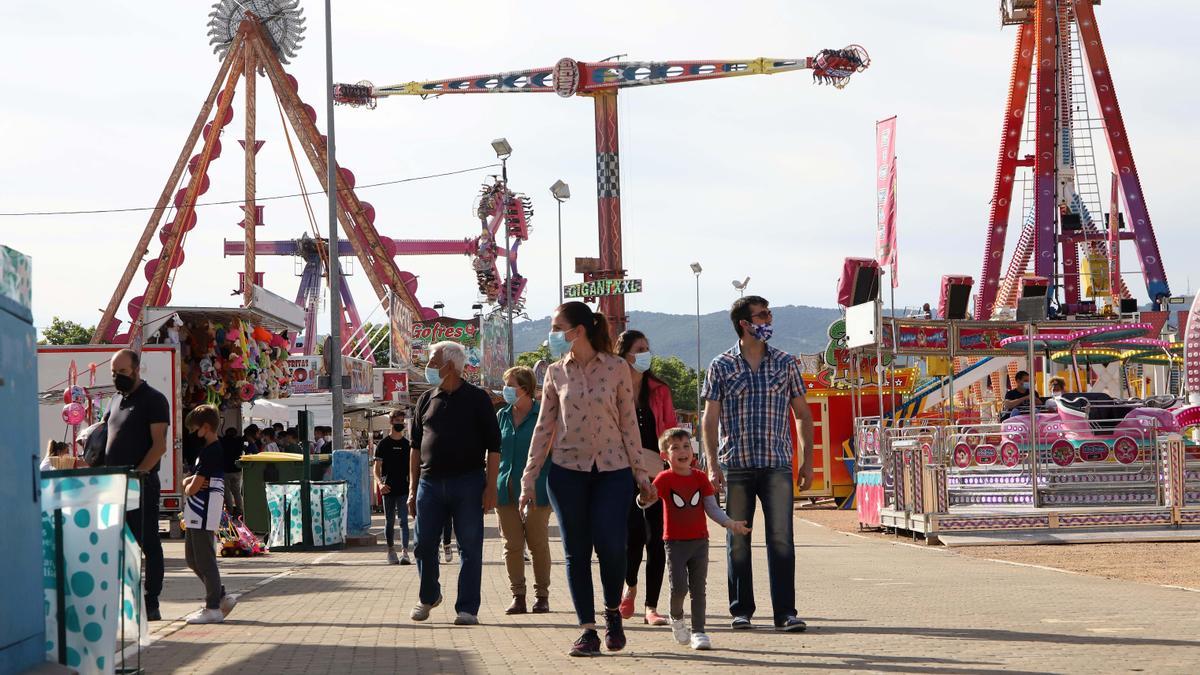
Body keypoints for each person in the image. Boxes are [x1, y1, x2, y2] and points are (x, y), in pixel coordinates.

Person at [520, 301, 658, 657]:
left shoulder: (616, 369)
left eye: (557, 328)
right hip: (567, 473)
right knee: (575, 552)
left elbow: (629, 423)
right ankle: (587, 630)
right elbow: (544, 427)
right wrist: (529, 477)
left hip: (612, 471)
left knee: (612, 546)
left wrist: (641, 474)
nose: (552, 335)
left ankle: (612, 612)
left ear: (577, 331)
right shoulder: (554, 372)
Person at [702, 296, 813, 633]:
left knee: (781, 538)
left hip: (777, 464)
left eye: (768, 313)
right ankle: (741, 611)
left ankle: (785, 613)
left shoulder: (786, 363)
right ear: (744, 324)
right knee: (737, 540)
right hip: (736, 465)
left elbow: (803, 415)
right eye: (762, 315)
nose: (768, 319)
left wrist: (806, 462)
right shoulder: (720, 365)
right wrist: (711, 466)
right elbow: (709, 420)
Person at [406, 341, 501, 626]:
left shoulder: (478, 399)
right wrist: (412, 488)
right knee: (423, 545)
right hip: (429, 484)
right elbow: (414, 446)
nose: (428, 366)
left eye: (433, 360)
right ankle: (429, 596)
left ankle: (467, 608)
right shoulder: (426, 399)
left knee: (470, 547)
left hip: (469, 482)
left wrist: (491, 487)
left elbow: (494, 447)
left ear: (450, 365)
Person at [640, 428, 750, 650]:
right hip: (674, 543)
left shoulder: (700, 478)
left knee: (698, 589)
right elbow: (647, 501)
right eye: (675, 448)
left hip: (700, 542)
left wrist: (730, 523)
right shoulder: (664, 479)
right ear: (665, 456)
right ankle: (677, 617)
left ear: (692, 450)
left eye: (686, 446)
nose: (682, 452)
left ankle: (699, 631)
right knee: (679, 588)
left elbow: (712, 508)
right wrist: (643, 497)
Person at [101, 349, 170, 621]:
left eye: (123, 373)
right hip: (112, 485)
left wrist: (137, 475)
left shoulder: (154, 400)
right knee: (118, 545)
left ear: (137, 370)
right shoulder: (115, 401)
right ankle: (125, 600)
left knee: (148, 544)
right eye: (114, 373)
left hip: (140, 484)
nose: (118, 378)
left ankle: (151, 601)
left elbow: (159, 446)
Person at [616, 329, 678, 626]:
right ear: (624, 353)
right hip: (620, 469)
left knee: (657, 539)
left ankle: (651, 607)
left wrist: (672, 459)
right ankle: (629, 587)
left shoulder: (659, 389)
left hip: (656, 470)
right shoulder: (613, 386)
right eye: (639, 348)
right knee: (632, 536)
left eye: (647, 348)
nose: (645, 353)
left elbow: (669, 429)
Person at [495, 366, 552, 615]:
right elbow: (495, 452)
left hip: (538, 488)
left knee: (538, 543)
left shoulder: (544, 415)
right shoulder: (502, 416)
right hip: (505, 489)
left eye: (510, 385)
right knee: (512, 545)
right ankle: (518, 595)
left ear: (525, 389)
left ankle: (542, 596)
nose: (505, 390)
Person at [181, 404, 238, 624]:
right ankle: (221, 596)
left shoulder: (211, 451)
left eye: (194, 429)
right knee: (193, 558)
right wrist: (189, 483)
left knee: (205, 560)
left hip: (203, 510)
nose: (192, 434)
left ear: (205, 427)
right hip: (196, 510)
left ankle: (213, 607)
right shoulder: (205, 451)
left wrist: (188, 484)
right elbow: (191, 482)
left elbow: (191, 486)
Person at [375, 409, 412, 565]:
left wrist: (413, 487)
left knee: (404, 521)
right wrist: (380, 483)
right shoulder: (383, 444)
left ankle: (405, 552)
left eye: (402, 421)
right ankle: (391, 550)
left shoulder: (407, 445)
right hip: (388, 488)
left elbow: (412, 468)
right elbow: (376, 468)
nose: (400, 424)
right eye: (397, 421)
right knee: (389, 521)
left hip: (404, 488)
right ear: (391, 422)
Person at [221, 426, 245, 519]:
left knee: (226, 492)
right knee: (237, 492)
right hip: (237, 470)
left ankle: (229, 510)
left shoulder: (223, 442)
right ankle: (239, 510)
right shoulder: (239, 442)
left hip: (226, 470)